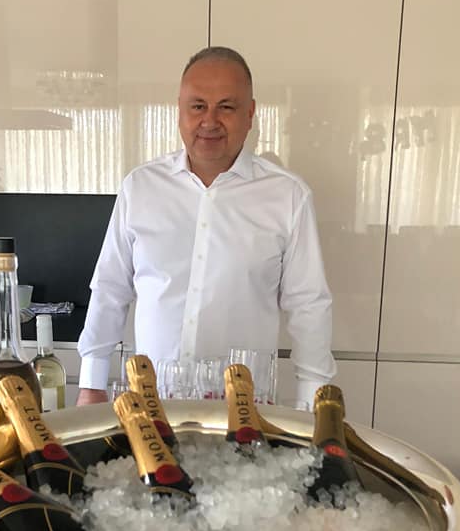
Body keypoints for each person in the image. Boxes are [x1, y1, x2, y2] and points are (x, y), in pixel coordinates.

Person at [77, 46, 336, 408]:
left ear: (250, 114)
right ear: (179, 110)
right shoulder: (140, 187)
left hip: (243, 413)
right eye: (198, 106)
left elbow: (308, 305)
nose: (210, 121)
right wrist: (91, 383)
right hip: (151, 408)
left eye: (226, 107)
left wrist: (311, 405)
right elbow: (110, 288)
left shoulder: (288, 196)